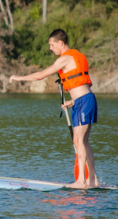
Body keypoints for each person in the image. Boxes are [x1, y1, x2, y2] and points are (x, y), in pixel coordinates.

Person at [9, 29, 98, 188]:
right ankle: (92, 180)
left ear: (60, 43)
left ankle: (81, 181)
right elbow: (82, 85)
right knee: (83, 141)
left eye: (52, 45)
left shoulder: (65, 59)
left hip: (84, 101)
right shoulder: (79, 56)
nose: (50, 48)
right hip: (84, 100)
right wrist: (72, 101)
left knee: (79, 141)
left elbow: (40, 75)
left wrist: (19, 78)